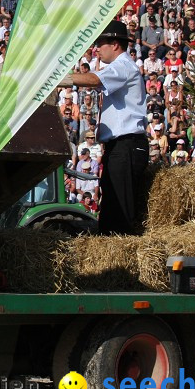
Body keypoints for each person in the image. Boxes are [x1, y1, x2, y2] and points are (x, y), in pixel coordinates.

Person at [71, 20, 148, 234]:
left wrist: (59, 79)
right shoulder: (121, 66)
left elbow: (94, 80)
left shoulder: (123, 66)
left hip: (127, 144)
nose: (97, 49)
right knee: (113, 203)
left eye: (101, 43)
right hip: (121, 145)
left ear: (115, 45)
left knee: (120, 208)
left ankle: (123, 252)